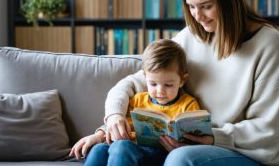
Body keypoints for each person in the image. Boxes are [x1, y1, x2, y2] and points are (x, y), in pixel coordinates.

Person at [101, 0, 279, 166]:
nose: (198, 16)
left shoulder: (268, 43)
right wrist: (113, 117)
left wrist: (214, 138)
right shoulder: (190, 37)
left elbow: (269, 129)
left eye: (206, 6)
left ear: (228, 0)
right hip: (191, 146)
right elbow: (135, 82)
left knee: (180, 159)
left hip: (245, 153)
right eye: (191, 7)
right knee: (102, 151)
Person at [70, 39, 201, 166]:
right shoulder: (137, 100)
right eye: (153, 84)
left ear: (182, 81)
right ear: (145, 78)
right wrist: (102, 134)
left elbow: (196, 136)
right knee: (98, 150)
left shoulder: (188, 104)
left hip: (161, 153)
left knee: (122, 147)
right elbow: (121, 126)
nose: (160, 91)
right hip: (131, 149)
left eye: (168, 85)